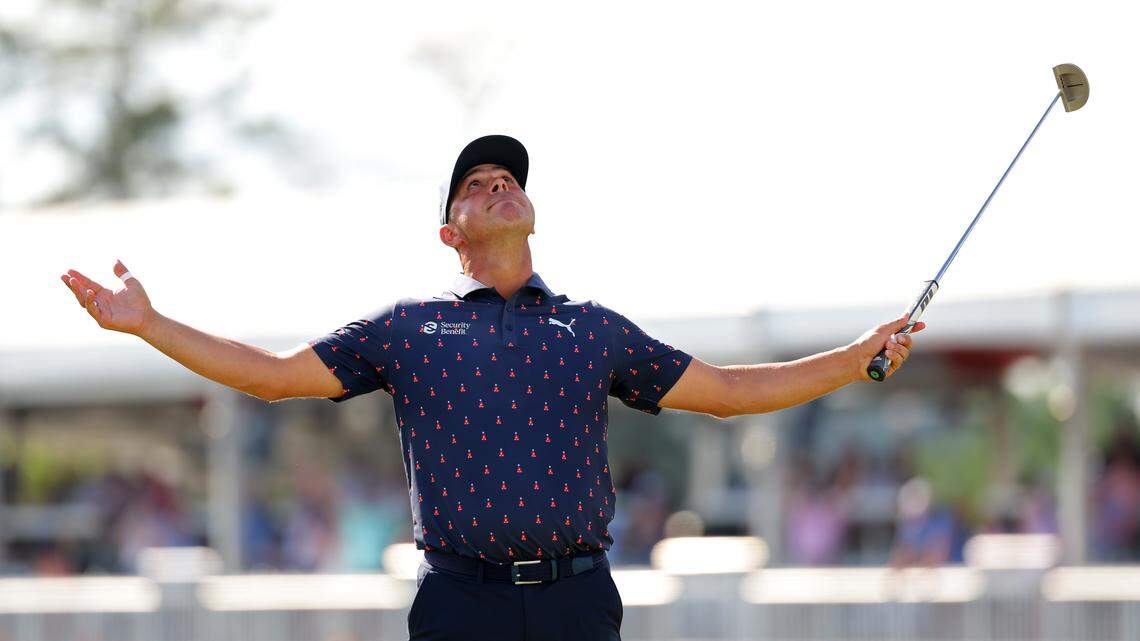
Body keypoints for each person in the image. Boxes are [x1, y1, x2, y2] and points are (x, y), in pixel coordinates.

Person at [59, 134, 924, 640]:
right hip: (459, 600)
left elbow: (731, 390)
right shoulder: (406, 327)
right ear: (452, 230)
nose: (499, 186)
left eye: (508, 179)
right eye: (477, 186)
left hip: (579, 596)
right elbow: (278, 377)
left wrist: (856, 356)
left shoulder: (594, 327)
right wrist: (151, 323)